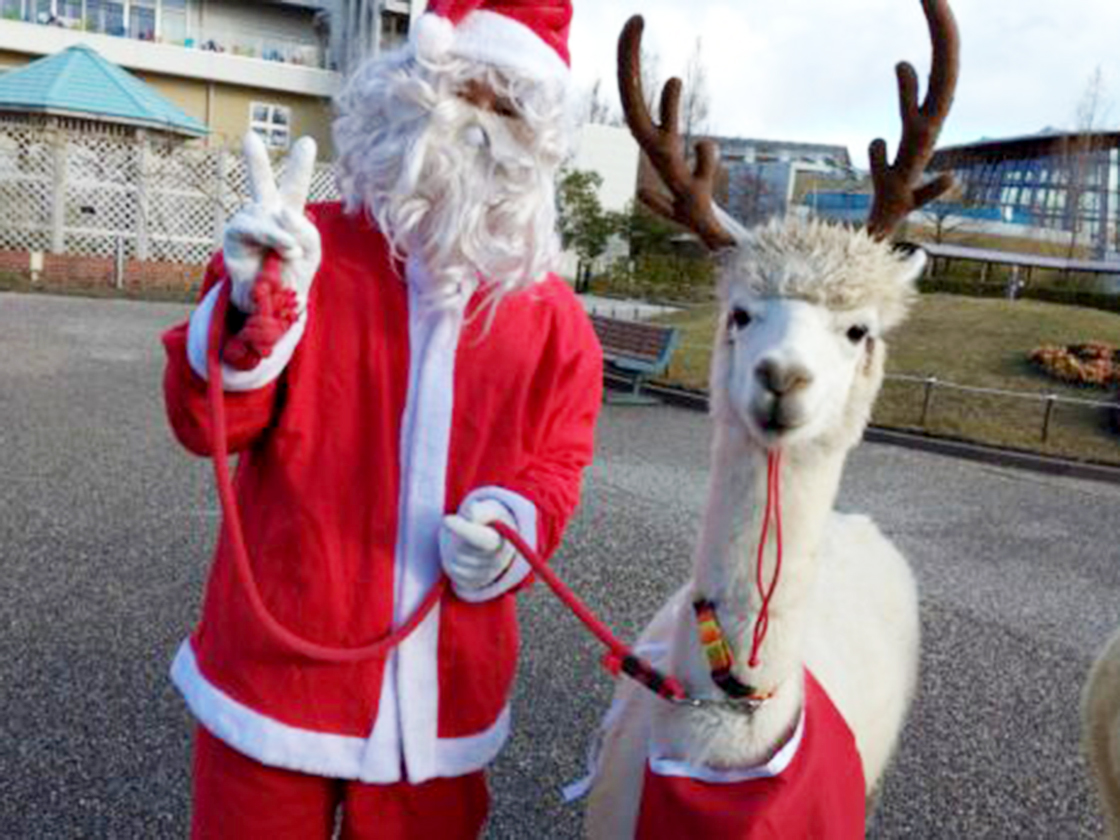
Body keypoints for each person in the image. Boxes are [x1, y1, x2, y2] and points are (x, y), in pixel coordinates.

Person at [160, 1, 602, 836]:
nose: (477, 126)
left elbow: (559, 463)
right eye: (459, 92)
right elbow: (204, 426)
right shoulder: (304, 249)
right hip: (274, 678)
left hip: (443, 699)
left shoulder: (555, 323)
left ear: (538, 142)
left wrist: (513, 524)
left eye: (506, 106)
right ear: (409, 93)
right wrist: (254, 309)